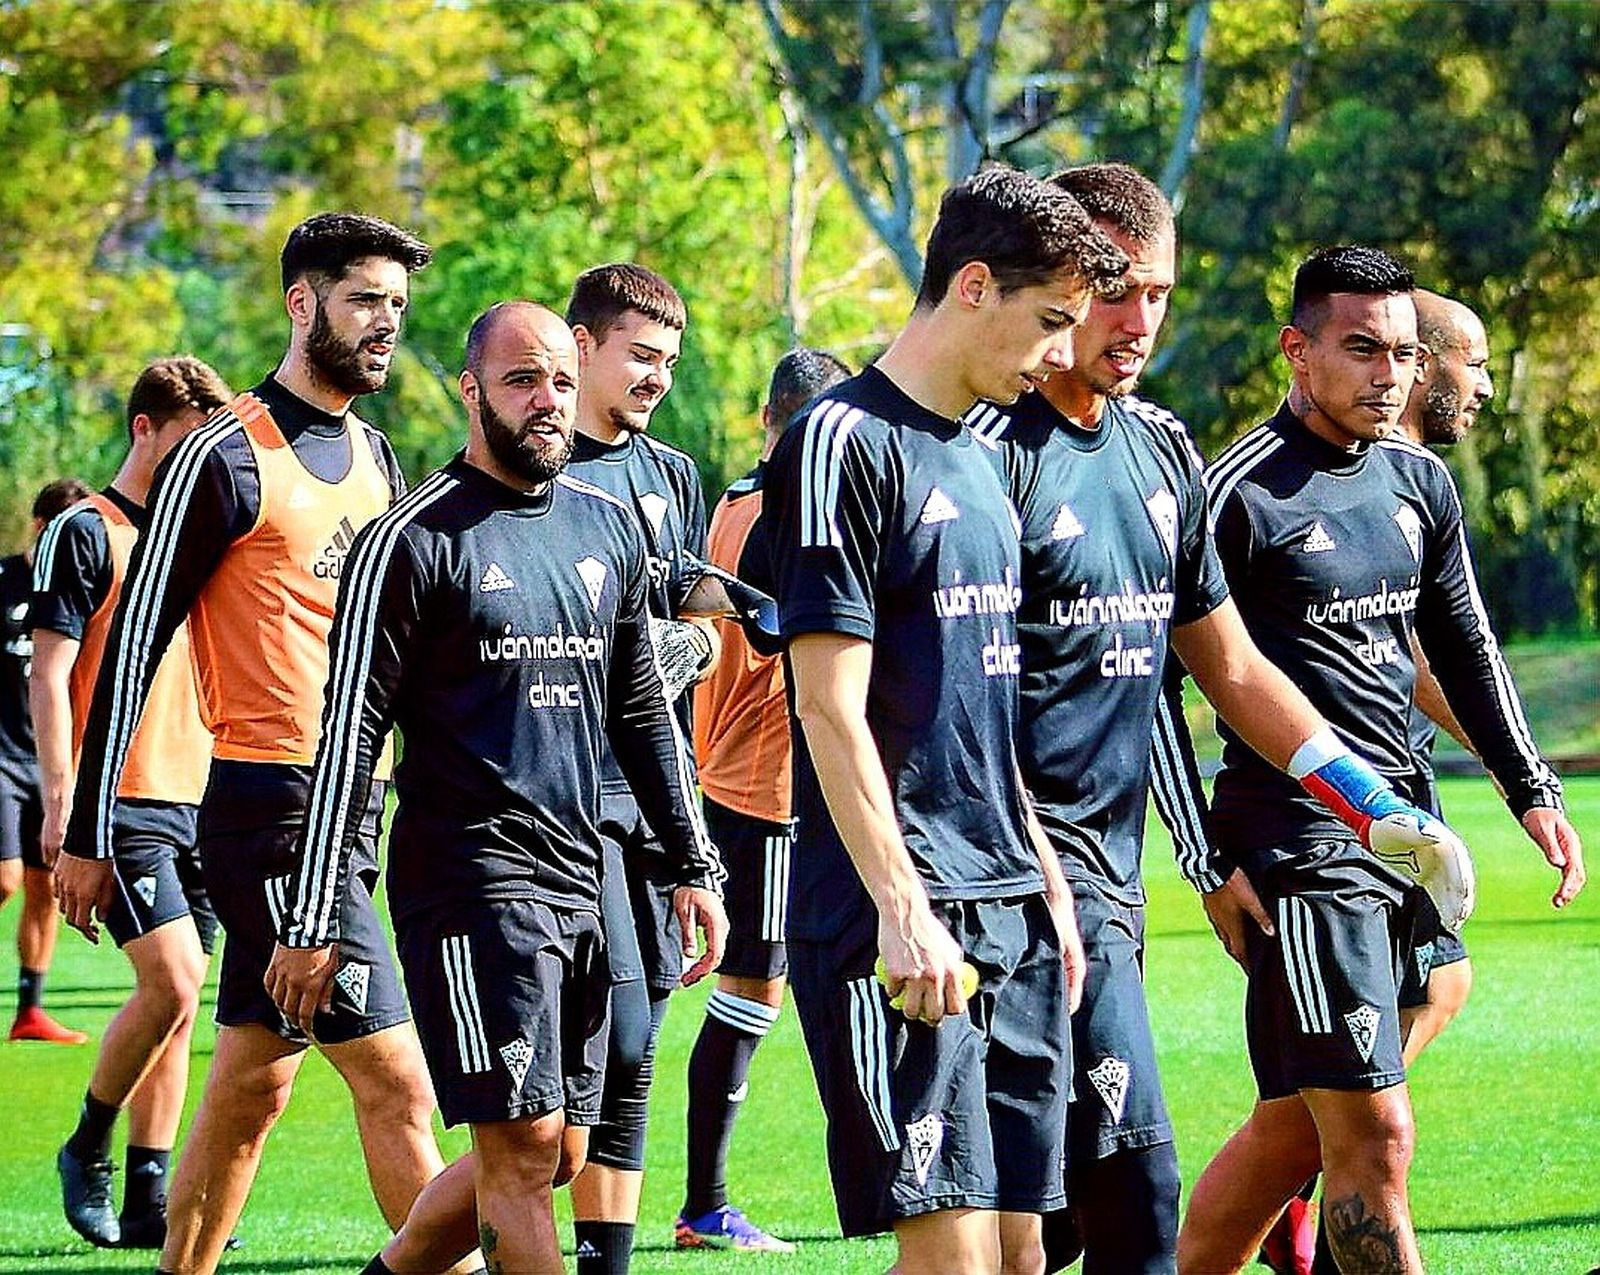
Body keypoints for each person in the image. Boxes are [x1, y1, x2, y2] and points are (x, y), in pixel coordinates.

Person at [967, 165, 1479, 1275]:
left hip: (1106, 887)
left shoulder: (1158, 447)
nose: (1137, 319)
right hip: (991, 881)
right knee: (1015, 1226)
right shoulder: (980, 455)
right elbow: (950, 697)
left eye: (1157, 291)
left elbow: (1229, 666)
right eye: (1112, 289)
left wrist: (1372, 805)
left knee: (1116, 1207)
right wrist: (1182, 858)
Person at [264, 300, 727, 1275]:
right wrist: (314, 914)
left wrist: (694, 865)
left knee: (558, 1152)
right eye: (522, 380)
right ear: (472, 392)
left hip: (582, 875)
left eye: (560, 379)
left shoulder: (607, 527)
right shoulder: (410, 541)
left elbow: (643, 715)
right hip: (470, 886)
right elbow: (348, 739)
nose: (547, 399)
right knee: (518, 1151)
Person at [55, 212, 470, 1275]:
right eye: (365, 299)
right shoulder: (222, 454)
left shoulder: (378, 454)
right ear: (302, 303)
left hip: (355, 807)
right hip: (274, 812)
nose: (386, 324)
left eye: (397, 305)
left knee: (251, 1083)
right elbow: (133, 643)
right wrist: (90, 833)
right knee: (398, 1083)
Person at [1177, 247, 1583, 1275]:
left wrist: (1529, 786)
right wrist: (1205, 860)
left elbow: (1465, 644)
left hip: (1406, 829)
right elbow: (1150, 690)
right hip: (1299, 844)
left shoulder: (1418, 479)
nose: (1388, 375)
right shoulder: (1232, 495)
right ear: (1297, 350)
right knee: (1373, 1133)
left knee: (1302, 1117)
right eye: (1361, 349)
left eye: (1402, 354)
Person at [762, 166, 1129, 1275]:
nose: (1062, 352)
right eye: (1050, 319)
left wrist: (1045, 877)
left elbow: (985, 694)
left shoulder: (983, 452)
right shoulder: (838, 442)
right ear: (973, 286)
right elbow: (827, 706)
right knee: (953, 1261)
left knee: (1024, 1257)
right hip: (897, 909)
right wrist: (902, 908)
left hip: (1009, 896)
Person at [37, 358, 231, 1249]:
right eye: (187, 441)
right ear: (144, 428)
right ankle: (88, 1144)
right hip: (118, 797)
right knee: (173, 977)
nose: (200, 462)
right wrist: (61, 796)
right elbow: (49, 675)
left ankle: (154, 1194)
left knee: (182, 1006)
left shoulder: (209, 535)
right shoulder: (87, 532)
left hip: (204, 795)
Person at [675, 347, 850, 1254]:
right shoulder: (778, 511)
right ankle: (704, 1203)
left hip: (754, 773)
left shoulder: (738, 500)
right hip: (767, 782)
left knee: (771, 979)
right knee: (754, 983)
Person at [561, 262, 718, 1275]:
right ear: (582, 346)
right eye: (641, 355)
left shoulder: (671, 475)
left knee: (639, 1041)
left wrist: (688, 646)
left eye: (669, 359)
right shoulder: (531, 468)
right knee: (607, 1041)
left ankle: (601, 1259)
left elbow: (704, 614)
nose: (657, 376)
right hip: (571, 803)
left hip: (662, 795)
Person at [1, 478, 93, 1045]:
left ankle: (29, 1011)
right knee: (4, 878)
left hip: (51, 760)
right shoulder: (5, 580)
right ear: (40, 527)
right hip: (1, 756)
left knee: (44, 887)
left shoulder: (79, 591)